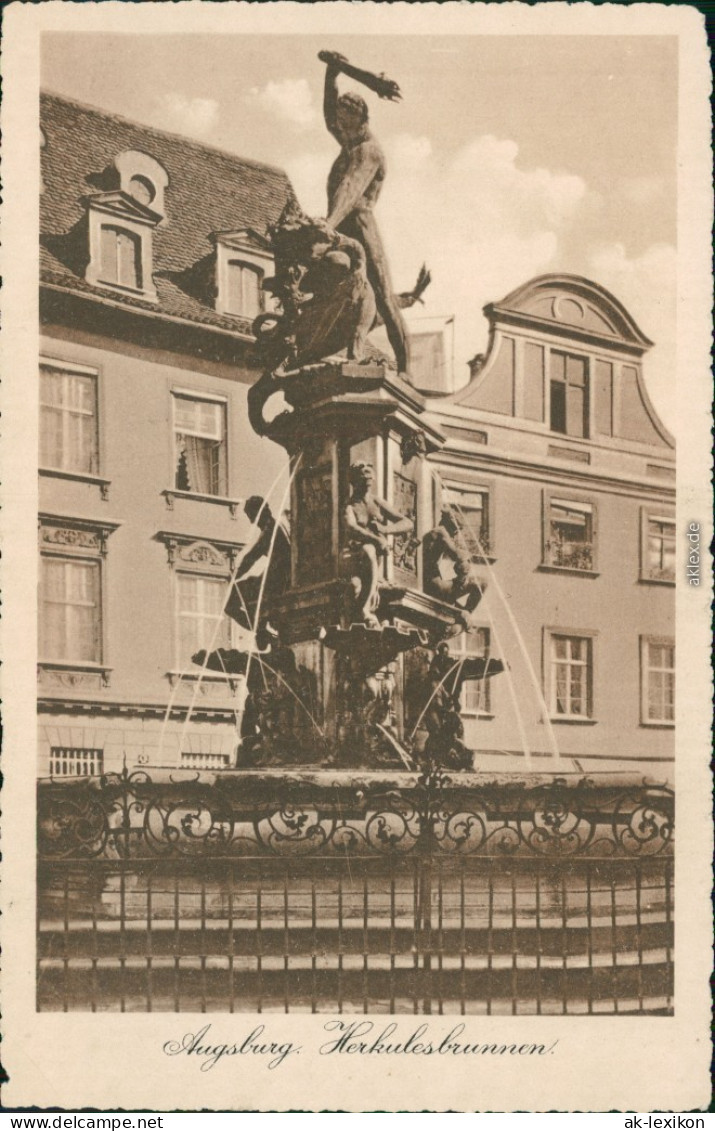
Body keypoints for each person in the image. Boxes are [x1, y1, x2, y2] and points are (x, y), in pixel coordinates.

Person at [320, 50, 411, 374]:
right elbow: (329, 114)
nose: (338, 129)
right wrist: (332, 75)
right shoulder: (350, 141)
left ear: (359, 120)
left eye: (344, 125)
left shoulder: (368, 151)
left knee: (385, 299)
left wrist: (329, 223)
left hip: (359, 223)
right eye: (338, 125)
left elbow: (350, 188)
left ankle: (405, 369)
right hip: (342, 227)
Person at [342, 461, 413, 625]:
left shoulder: (377, 503)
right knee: (368, 549)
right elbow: (352, 528)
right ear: (353, 480)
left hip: (375, 558)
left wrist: (385, 529)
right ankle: (365, 608)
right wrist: (376, 539)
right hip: (351, 555)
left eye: (369, 470)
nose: (367, 473)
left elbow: (408, 523)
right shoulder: (349, 506)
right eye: (361, 471)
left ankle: (370, 594)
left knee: (370, 551)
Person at [224, 497, 291, 633]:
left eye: (252, 516)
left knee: (231, 602)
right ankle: (260, 627)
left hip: (277, 580)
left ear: (261, 512)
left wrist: (234, 576)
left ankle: (260, 629)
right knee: (242, 595)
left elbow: (253, 556)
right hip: (277, 576)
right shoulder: (273, 527)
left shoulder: (270, 530)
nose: (252, 521)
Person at [422, 506, 487, 631]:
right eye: (456, 529)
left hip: (434, 583)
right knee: (481, 583)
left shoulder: (437, 533)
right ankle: (466, 613)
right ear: (449, 523)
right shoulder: (441, 532)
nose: (456, 534)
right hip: (435, 586)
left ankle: (463, 613)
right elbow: (456, 555)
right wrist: (465, 557)